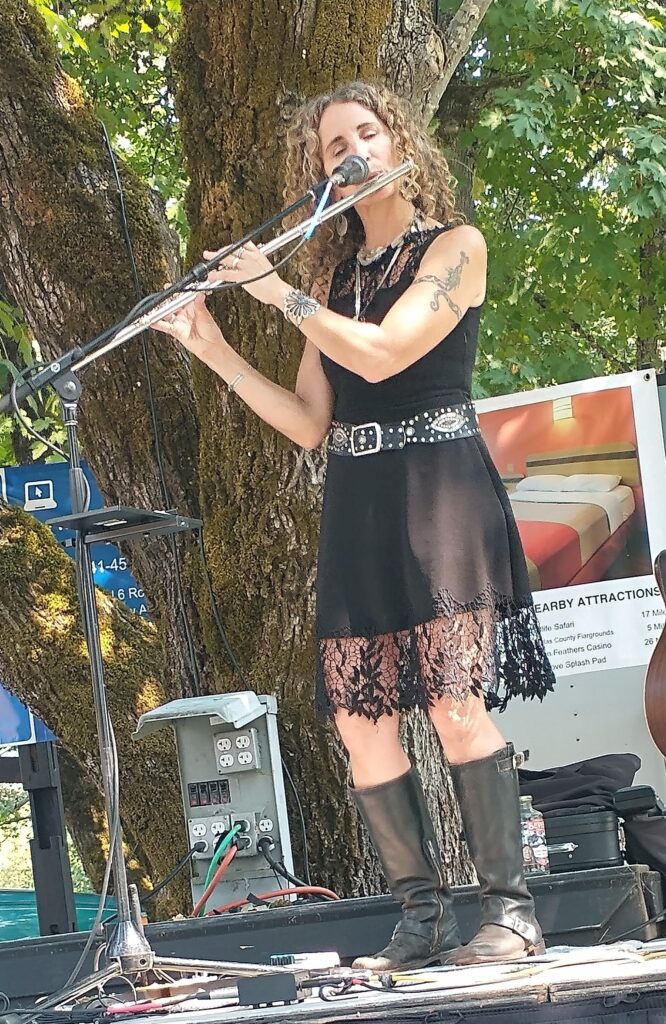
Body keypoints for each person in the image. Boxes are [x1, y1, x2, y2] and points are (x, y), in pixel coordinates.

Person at [154, 80, 556, 971]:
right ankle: (420, 917)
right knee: (358, 720)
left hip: (440, 485)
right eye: (333, 147)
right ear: (322, 173)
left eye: (365, 133)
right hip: (359, 491)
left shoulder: (456, 246)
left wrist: (273, 295)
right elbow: (308, 421)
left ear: (399, 139)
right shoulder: (333, 278)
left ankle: (511, 912)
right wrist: (214, 347)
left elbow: (385, 350)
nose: (351, 153)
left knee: (454, 704)